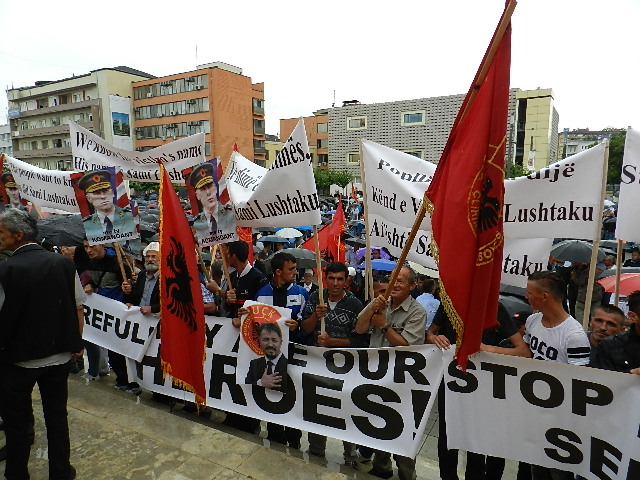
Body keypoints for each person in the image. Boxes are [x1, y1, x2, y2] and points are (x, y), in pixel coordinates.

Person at [0, 209, 84, 480]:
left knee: (17, 423)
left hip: (18, 361)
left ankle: (17, 473)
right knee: (57, 418)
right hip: (58, 357)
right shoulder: (63, 264)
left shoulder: (6, 269)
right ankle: (60, 472)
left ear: (18, 235)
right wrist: (76, 344)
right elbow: (78, 307)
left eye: (1, 232)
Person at [427, 302, 531, 480]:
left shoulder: (495, 308)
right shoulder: (449, 303)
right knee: (447, 433)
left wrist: (487, 349)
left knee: (476, 436)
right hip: (451, 382)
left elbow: (523, 352)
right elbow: (430, 332)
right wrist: (433, 337)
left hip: (481, 386)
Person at [355, 265, 425, 480]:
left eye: (401, 281)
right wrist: (371, 309)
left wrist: (384, 326)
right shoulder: (380, 303)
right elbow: (360, 328)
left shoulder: (417, 312)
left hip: (401, 380)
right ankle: (381, 466)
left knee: (401, 428)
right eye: (393, 279)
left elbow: (407, 346)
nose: (394, 285)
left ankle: (406, 473)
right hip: (376, 374)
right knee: (378, 423)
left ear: (412, 286)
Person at [523, 271, 590, 480]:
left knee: (559, 473)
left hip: (560, 419)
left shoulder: (574, 336)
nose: (526, 297)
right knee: (536, 469)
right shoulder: (533, 321)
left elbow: (579, 382)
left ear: (544, 296)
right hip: (534, 411)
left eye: (529, 293)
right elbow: (525, 354)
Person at [301, 262, 366, 467]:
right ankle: (316, 450)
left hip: (344, 369)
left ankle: (350, 456)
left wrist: (333, 343)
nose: (335, 283)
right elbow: (304, 329)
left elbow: (361, 341)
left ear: (346, 280)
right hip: (317, 366)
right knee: (317, 408)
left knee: (347, 411)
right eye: (331, 278)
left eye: (340, 279)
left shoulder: (355, 305)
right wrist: (315, 316)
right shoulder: (315, 298)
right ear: (325, 278)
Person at [252, 251, 307, 448]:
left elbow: (307, 323)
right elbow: (254, 323)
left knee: (293, 398)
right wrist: (242, 316)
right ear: (278, 272)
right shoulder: (262, 293)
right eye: (291, 269)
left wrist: (298, 326)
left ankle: (294, 441)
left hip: (293, 356)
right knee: (272, 397)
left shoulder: (301, 293)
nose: (295, 272)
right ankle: (275, 437)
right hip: (269, 359)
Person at [591, 290, 640, 373]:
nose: (603, 327)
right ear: (633, 316)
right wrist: (632, 374)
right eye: (599, 321)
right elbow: (603, 381)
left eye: (610, 324)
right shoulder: (610, 346)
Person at [78, 170, 134, 239]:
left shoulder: (129, 217)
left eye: (105, 191)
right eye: (97, 193)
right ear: (89, 198)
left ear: (112, 193)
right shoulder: (87, 225)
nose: (103, 196)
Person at [190, 162, 233, 240]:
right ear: (197, 195)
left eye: (210, 187)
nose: (208, 192)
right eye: (203, 189)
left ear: (216, 188)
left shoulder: (231, 215)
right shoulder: (196, 224)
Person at [244, 322, 288, 390]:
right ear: (259, 342)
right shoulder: (254, 364)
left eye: (274, 340)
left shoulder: (289, 365)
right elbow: (245, 389)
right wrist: (260, 383)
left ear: (281, 342)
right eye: (266, 340)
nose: (270, 344)